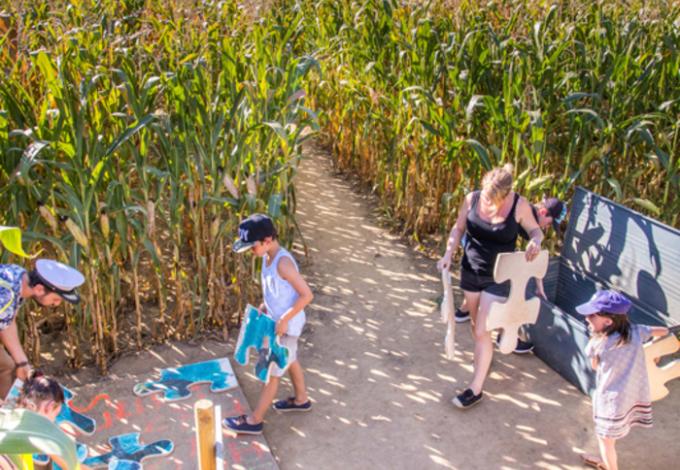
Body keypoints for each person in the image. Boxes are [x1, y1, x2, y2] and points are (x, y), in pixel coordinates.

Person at [437, 164, 544, 409]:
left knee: (483, 329)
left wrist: (535, 243)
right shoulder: (471, 198)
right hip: (471, 271)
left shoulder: (520, 205)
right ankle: (486, 353)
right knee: (477, 329)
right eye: (486, 195)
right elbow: (458, 227)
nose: (488, 201)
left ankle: (475, 388)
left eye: (494, 198)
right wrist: (447, 254)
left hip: (499, 278)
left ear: (506, 194)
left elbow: (536, 232)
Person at [224, 214, 314, 434]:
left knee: (272, 372)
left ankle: (254, 421)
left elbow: (306, 295)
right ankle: (301, 399)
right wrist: (266, 306)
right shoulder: (266, 257)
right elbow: (279, 292)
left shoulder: (283, 263)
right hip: (278, 322)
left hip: (287, 326)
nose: (250, 252)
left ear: (267, 240)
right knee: (291, 360)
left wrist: (283, 319)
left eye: (252, 246)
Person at [454, 196, 567, 354]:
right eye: (549, 222)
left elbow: (533, 256)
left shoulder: (528, 214)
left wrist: (540, 285)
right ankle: (504, 334)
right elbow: (527, 258)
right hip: (479, 241)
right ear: (542, 212)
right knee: (507, 290)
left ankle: (464, 310)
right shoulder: (526, 216)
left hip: (479, 243)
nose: (547, 227)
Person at [576, 290, 669, 470]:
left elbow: (595, 366)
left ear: (608, 321)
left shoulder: (596, 344)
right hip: (632, 396)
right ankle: (608, 460)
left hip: (611, 399)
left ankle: (610, 466)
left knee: (605, 441)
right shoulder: (637, 331)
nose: (587, 318)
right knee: (610, 436)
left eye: (591, 315)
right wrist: (658, 345)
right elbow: (662, 331)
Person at [0, 259, 85, 399]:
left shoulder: (18, 277)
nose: (57, 304)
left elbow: (7, 323)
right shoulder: (5, 295)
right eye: (56, 299)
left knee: (7, 368)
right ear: (39, 289)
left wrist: (22, 363)